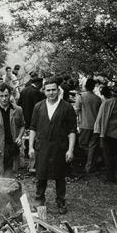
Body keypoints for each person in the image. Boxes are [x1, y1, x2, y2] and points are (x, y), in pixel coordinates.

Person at [29, 78, 77, 214]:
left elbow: (72, 130)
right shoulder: (38, 107)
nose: (51, 93)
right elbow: (32, 128)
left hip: (59, 148)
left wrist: (70, 150)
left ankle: (61, 202)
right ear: (44, 91)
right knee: (41, 175)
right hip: (42, 147)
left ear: (58, 90)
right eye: (48, 90)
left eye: (53, 90)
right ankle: (39, 200)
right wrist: (31, 147)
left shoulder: (67, 107)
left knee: (60, 176)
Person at [0, 83, 25, 176]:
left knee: (10, 174)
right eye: (1, 96)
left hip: (12, 146)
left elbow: (22, 125)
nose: (4, 98)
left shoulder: (18, 110)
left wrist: (19, 137)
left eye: (6, 95)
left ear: (10, 95)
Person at [74, 78, 102, 173]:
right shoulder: (98, 99)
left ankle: (92, 160)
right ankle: (89, 166)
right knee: (92, 146)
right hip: (95, 126)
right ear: (93, 87)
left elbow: (76, 111)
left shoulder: (81, 97)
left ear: (85, 86)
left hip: (84, 125)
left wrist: (76, 123)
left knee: (82, 144)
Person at [18, 76, 45, 158]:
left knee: (26, 134)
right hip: (33, 117)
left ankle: (26, 151)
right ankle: (32, 150)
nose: (41, 86)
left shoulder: (23, 90)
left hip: (24, 116)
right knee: (33, 133)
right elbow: (38, 106)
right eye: (41, 84)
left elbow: (19, 104)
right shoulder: (36, 92)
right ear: (38, 83)